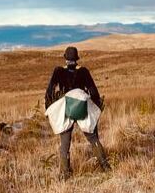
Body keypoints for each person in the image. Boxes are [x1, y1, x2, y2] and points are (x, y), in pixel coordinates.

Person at [45, 46, 111, 179]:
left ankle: (65, 174)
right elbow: (93, 91)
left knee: (65, 144)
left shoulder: (58, 71)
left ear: (66, 59)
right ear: (76, 59)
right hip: (82, 107)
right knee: (93, 138)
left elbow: (49, 92)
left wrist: (50, 108)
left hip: (66, 109)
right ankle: (106, 168)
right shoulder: (83, 72)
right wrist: (96, 107)